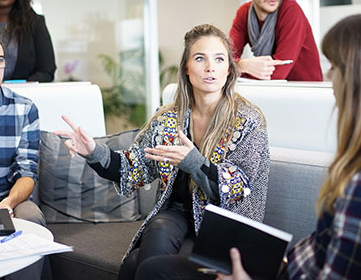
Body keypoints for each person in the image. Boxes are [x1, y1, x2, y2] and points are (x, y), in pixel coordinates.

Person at [147, 14, 361, 280]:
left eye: (336, 67)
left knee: (154, 271)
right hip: (284, 267)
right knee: (149, 263)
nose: (331, 78)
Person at [55, 24, 270, 279]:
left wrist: (193, 162)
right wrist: (92, 151)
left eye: (219, 59)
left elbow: (237, 188)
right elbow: (130, 168)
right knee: (158, 227)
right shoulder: (168, 118)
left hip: (225, 224)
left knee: (137, 263)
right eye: (200, 58)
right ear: (187, 69)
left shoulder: (248, 120)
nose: (210, 67)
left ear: (228, 70)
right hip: (177, 214)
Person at [0, 28, 46, 279]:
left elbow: (27, 172)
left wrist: (8, 204)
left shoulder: (24, 110)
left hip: (9, 199)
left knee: (31, 217)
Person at [229, 0, 322, 81]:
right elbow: (225, 60)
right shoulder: (244, 13)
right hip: (271, 91)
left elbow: (277, 73)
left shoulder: (291, 11)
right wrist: (243, 65)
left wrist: (238, 68)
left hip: (304, 92)